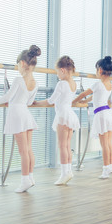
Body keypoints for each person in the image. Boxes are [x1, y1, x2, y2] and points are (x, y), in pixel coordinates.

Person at [0, 45, 41, 193]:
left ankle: (24, 181)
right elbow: (29, 102)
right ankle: (30, 177)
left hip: (17, 114)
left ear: (22, 63)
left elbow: (7, 97)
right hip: (25, 112)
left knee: (23, 151)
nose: (18, 68)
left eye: (17, 65)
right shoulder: (35, 83)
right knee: (29, 149)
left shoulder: (18, 79)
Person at [33, 56, 80, 185]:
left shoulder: (62, 83)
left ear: (63, 70)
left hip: (63, 115)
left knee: (62, 145)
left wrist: (36, 102)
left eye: (57, 72)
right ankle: (68, 171)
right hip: (70, 114)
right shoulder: (73, 83)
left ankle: (65, 173)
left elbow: (50, 100)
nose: (57, 74)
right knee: (67, 145)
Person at [72, 56, 112, 179]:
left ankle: (105, 169)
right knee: (109, 143)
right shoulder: (109, 84)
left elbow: (83, 93)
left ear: (100, 70)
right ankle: (110, 165)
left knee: (104, 145)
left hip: (102, 115)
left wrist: (73, 101)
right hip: (108, 113)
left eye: (96, 69)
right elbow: (94, 97)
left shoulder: (97, 84)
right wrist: (85, 101)